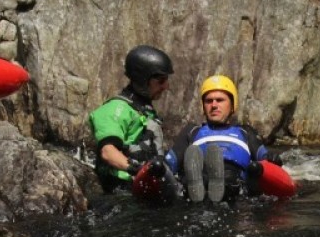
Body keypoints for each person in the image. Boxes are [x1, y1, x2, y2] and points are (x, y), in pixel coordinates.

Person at [165, 74, 282, 203]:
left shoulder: (245, 132)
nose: (214, 105)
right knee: (191, 177)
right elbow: (171, 162)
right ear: (203, 106)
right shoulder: (192, 131)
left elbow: (263, 155)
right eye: (209, 101)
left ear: (232, 105)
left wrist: (271, 158)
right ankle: (196, 186)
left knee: (237, 176)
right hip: (200, 173)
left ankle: (214, 187)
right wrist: (159, 166)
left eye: (220, 100)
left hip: (234, 178)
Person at [88, 45, 178, 196]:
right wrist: (138, 170)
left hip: (146, 189)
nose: (166, 86)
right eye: (161, 81)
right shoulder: (116, 109)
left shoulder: (144, 110)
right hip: (120, 192)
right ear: (143, 80)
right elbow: (107, 152)